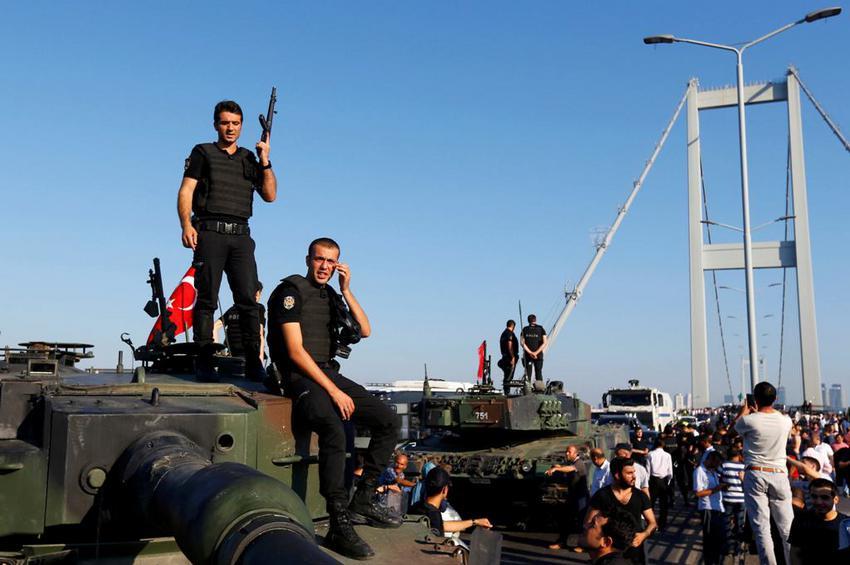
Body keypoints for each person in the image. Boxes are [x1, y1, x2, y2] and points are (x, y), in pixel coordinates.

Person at [267, 237, 399, 560]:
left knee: (389, 421)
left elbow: (365, 330)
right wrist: (334, 390)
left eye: (331, 261)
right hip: (298, 377)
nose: (324, 266)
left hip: (327, 373)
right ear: (308, 259)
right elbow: (296, 352)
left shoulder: (332, 297)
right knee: (333, 426)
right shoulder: (289, 293)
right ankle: (338, 521)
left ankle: (364, 499)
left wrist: (347, 290)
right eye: (319, 259)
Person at [178, 100, 276, 382]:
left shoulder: (249, 157)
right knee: (207, 298)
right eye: (224, 123)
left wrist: (265, 160)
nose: (230, 128)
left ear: (241, 126)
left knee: (248, 300)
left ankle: (253, 361)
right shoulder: (203, 152)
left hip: (242, 236)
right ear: (216, 125)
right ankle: (205, 360)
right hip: (209, 232)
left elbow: (270, 195)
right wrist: (186, 224)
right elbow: (186, 190)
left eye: (235, 123)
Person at [734, 381, 794, 565]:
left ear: (755, 399)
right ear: (775, 399)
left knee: (762, 528)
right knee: (787, 529)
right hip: (779, 474)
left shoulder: (748, 420)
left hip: (756, 473)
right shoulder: (786, 421)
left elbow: (734, 428)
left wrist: (744, 411)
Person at [585, 457, 656, 565]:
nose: (634, 476)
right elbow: (588, 523)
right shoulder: (602, 495)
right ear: (617, 475)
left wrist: (644, 535)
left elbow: (652, 523)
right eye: (629, 473)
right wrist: (595, 548)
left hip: (635, 553)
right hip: (609, 554)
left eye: (634, 472)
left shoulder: (641, 496)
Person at [409, 467, 493, 536]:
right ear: (445, 490)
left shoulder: (417, 507)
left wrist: (475, 522)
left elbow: (443, 525)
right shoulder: (433, 515)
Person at [789, 478, 850, 563]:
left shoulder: (846, 523)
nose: (819, 502)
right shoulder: (801, 520)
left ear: (836, 499)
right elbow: (795, 552)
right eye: (814, 497)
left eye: (824, 498)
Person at [545, 445, 590, 551]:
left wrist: (557, 468)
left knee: (582, 522)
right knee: (565, 519)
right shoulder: (571, 462)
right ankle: (562, 542)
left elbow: (570, 469)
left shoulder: (579, 463)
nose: (567, 453)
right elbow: (564, 466)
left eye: (569, 452)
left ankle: (583, 545)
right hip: (572, 496)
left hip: (581, 497)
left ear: (576, 453)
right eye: (566, 452)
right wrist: (555, 466)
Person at [214, 282, 266, 367]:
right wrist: (259, 362)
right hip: (249, 357)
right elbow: (259, 333)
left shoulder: (232, 309)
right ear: (257, 293)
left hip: (231, 356)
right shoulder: (258, 308)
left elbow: (215, 327)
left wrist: (218, 352)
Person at [694, 450, 728, 565]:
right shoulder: (699, 471)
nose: (718, 466)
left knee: (718, 540)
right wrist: (716, 489)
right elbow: (698, 493)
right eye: (716, 463)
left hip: (718, 508)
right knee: (709, 540)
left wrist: (722, 488)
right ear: (710, 460)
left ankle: (716, 561)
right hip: (708, 509)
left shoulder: (712, 471)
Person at [720, 448, 746, 554]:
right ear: (737, 456)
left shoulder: (723, 465)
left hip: (728, 498)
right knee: (739, 523)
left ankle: (729, 546)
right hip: (741, 499)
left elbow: (717, 477)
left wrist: (724, 485)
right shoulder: (743, 467)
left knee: (726, 522)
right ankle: (738, 547)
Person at [646, 438, 673, 532]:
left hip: (654, 480)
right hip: (664, 480)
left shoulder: (650, 454)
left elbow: (648, 469)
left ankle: (651, 523)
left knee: (651, 503)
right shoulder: (667, 455)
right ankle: (663, 524)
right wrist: (668, 481)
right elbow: (670, 471)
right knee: (663, 504)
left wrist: (647, 482)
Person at [520, 314, 547, 384]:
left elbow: (522, 343)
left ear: (528, 320)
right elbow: (545, 342)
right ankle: (539, 390)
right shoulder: (541, 329)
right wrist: (535, 353)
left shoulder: (525, 329)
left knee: (528, 373)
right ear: (535, 320)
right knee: (538, 372)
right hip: (538, 355)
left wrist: (530, 353)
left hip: (528, 355)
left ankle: (527, 389)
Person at [497, 319, 519, 395]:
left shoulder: (503, 334)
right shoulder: (510, 334)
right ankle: (507, 392)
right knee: (509, 377)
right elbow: (510, 346)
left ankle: (506, 391)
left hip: (504, 356)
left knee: (507, 376)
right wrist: (512, 357)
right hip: (509, 357)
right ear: (513, 326)